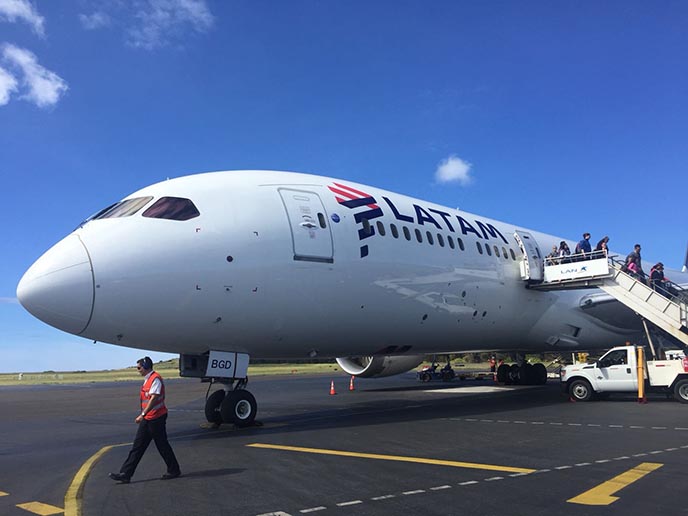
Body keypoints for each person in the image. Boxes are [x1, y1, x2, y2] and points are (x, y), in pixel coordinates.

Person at [109, 357, 181, 483]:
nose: (138, 370)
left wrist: (142, 414)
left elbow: (154, 398)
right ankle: (125, 474)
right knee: (138, 446)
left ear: (146, 367)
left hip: (156, 418)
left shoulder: (155, 379)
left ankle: (174, 470)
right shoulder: (147, 379)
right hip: (149, 417)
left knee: (162, 445)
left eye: (139, 368)